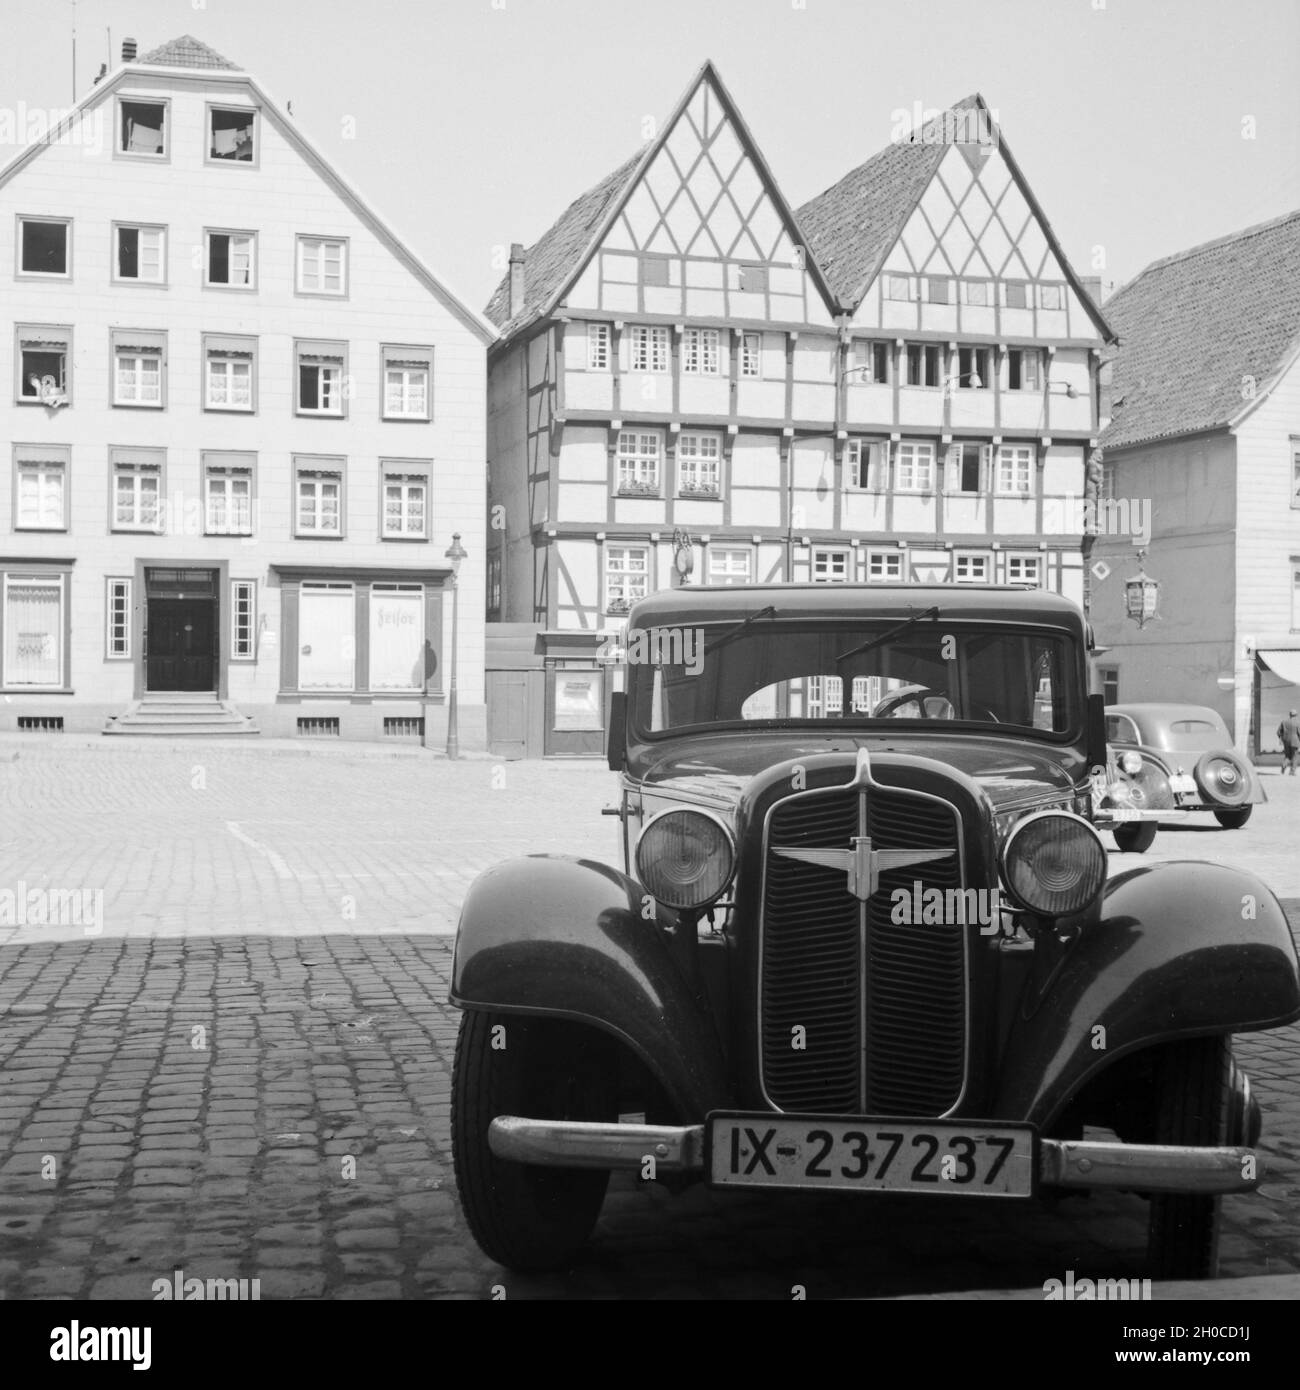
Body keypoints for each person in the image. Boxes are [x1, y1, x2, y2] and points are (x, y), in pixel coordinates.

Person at [1278, 709, 1300, 775]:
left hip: (1286, 742)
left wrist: (1282, 739)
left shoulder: (1283, 722)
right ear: (1296, 715)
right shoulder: (1297, 723)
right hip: (1295, 741)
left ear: (1290, 714)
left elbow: (1278, 732)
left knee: (1287, 756)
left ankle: (1283, 766)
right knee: (1295, 756)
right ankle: (1292, 771)